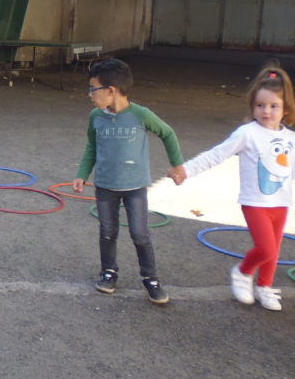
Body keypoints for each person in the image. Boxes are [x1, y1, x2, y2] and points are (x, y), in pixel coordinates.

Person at [170, 66, 295, 311]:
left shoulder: (291, 139)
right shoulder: (247, 134)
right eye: (260, 105)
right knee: (266, 248)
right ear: (253, 106)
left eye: (273, 106)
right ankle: (243, 271)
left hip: (281, 202)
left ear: (286, 109)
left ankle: (265, 286)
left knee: (274, 250)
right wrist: (186, 170)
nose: (266, 111)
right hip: (255, 202)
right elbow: (216, 155)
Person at [72, 57, 185, 304]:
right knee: (107, 232)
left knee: (140, 234)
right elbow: (91, 147)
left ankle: (151, 279)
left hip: (135, 188)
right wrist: (82, 174)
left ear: (111, 90)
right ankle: (108, 272)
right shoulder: (96, 117)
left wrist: (177, 165)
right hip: (105, 187)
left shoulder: (140, 115)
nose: (90, 94)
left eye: (93, 89)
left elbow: (167, 133)